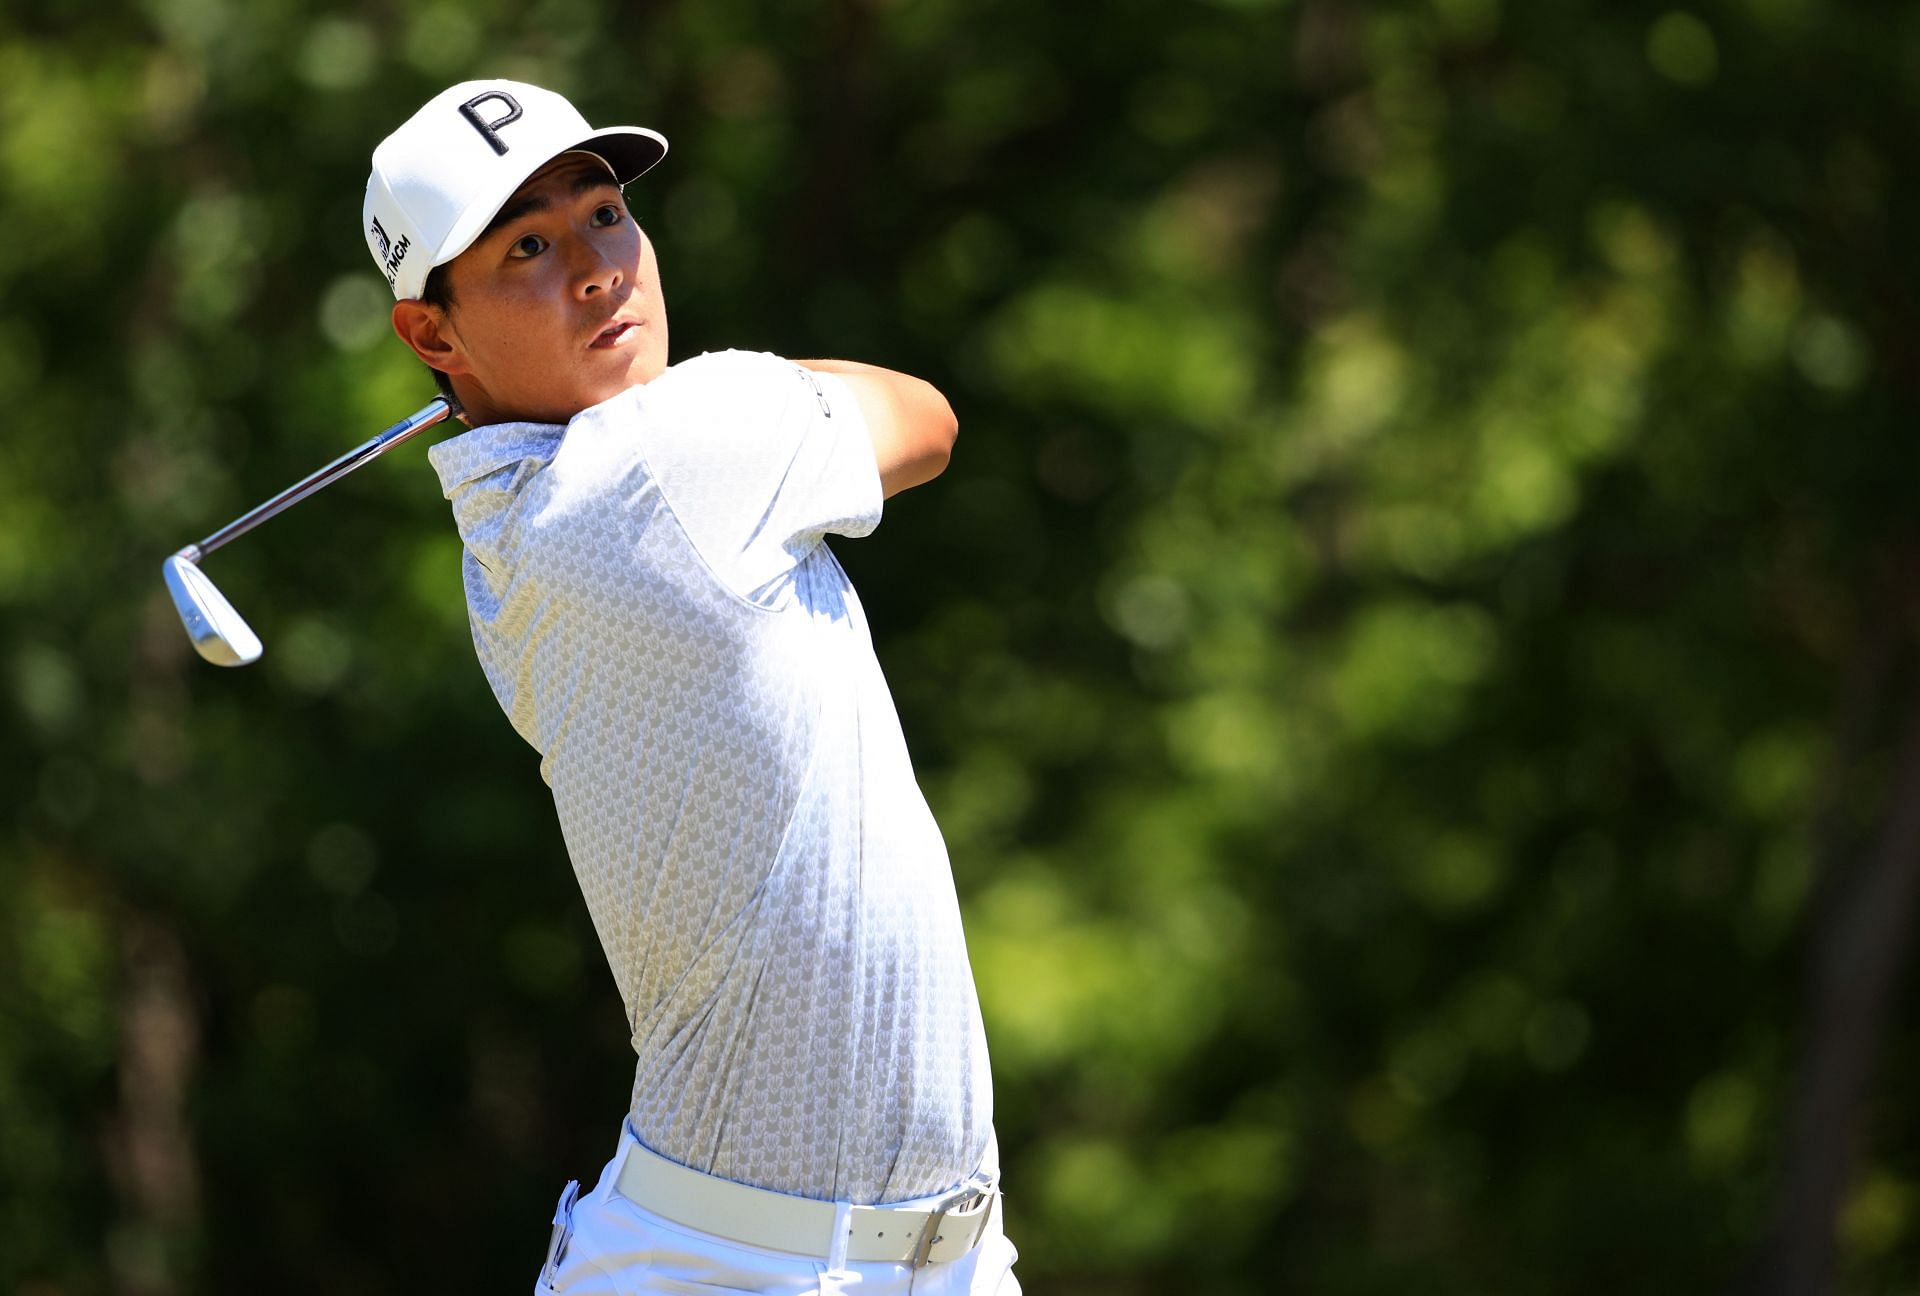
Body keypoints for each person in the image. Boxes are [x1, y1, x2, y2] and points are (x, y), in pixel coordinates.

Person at [363, 80, 1018, 1294]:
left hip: (928, 1263)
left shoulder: (523, 524)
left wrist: (730, 384)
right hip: (742, 1271)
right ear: (432, 335)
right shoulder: (666, 461)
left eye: (605, 214)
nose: (598, 267)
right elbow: (926, 417)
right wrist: (737, 376)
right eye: (528, 247)